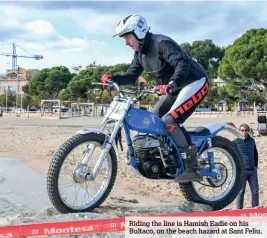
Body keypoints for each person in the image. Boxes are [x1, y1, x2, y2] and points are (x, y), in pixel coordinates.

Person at [101, 14, 209, 182]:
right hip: (175, 88)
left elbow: (182, 63)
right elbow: (131, 75)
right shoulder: (139, 54)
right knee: (154, 118)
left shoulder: (161, 43)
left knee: (170, 120)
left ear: (139, 32)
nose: (126, 42)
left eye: (127, 37)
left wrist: (172, 83)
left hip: (194, 81)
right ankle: (168, 159)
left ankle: (193, 167)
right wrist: (113, 78)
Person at [234, 123, 259, 209]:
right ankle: (239, 209)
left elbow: (255, 153)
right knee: (241, 191)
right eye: (242, 130)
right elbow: (233, 156)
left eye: (246, 130)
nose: (244, 132)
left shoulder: (252, 140)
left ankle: (255, 208)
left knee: (255, 191)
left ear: (248, 131)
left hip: (252, 170)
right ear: (239, 131)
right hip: (242, 171)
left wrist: (256, 166)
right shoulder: (236, 141)